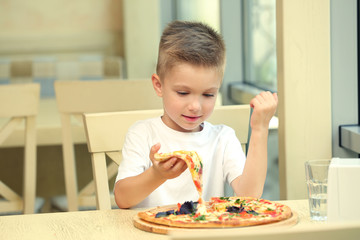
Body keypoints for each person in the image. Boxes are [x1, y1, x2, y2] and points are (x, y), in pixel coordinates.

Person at [114, 21, 278, 209]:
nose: (195, 106)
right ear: (159, 85)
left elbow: (249, 197)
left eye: (208, 95)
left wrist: (259, 129)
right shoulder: (142, 134)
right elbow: (122, 198)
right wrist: (157, 175)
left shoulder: (222, 138)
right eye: (183, 93)